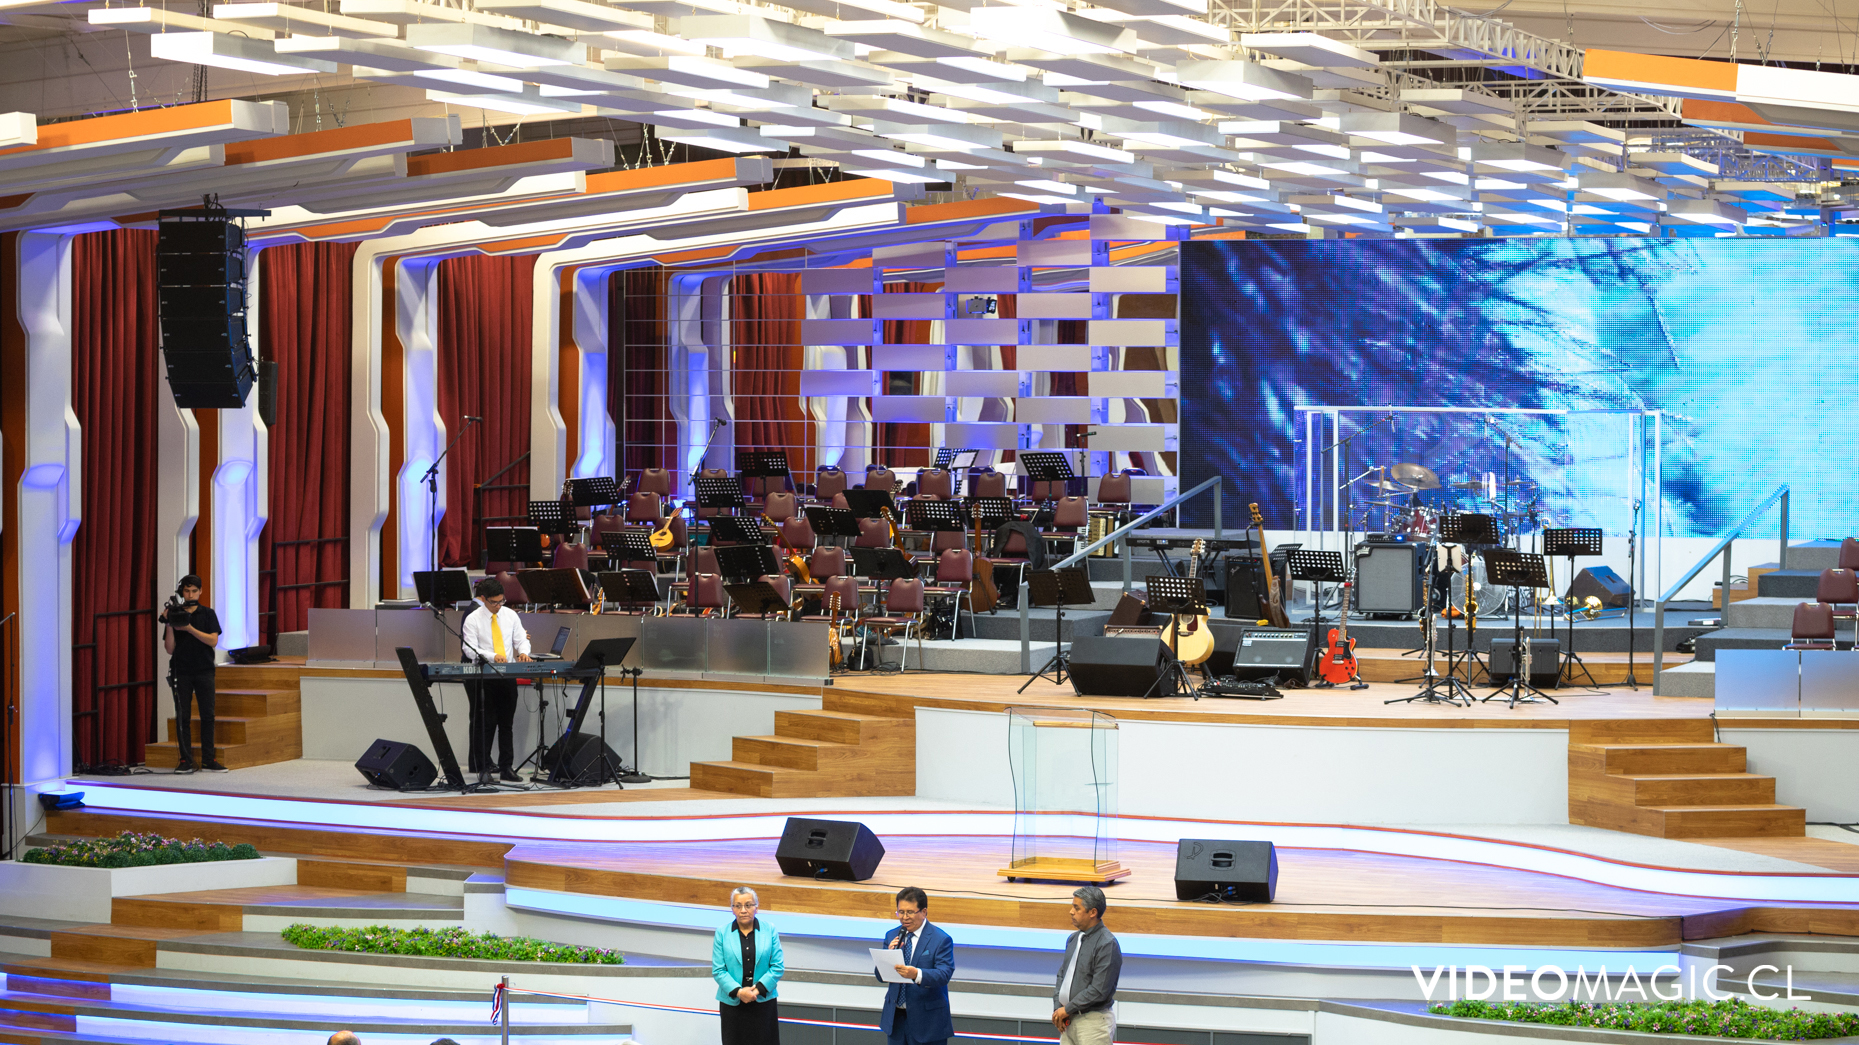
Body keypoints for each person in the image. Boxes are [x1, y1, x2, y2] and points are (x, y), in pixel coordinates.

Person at [460, 576, 531, 782]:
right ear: (483, 599)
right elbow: (469, 649)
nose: (499, 606)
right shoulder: (473, 619)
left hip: (506, 675)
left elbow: (521, 638)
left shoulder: (510, 615)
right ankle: (483, 768)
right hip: (484, 676)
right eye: (494, 602)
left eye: (502, 601)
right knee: (486, 723)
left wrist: (524, 652)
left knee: (506, 723)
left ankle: (506, 767)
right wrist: (492, 656)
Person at [162, 575, 225, 773]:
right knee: (183, 717)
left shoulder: (208, 613)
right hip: (181, 670)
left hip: (204, 670)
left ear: (200, 592)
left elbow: (213, 641)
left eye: (194, 591)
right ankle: (185, 760)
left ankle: (208, 759)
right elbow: (169, 649)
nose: (190, 595)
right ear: (182, 592)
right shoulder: (176, 613)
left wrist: (189, 628)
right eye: (187, 591)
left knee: (208, 715)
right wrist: (169, 624)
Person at [877, 886, 954, 1045]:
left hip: (928, 1024)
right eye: (900, 912)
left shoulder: (941, 939)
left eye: (910, 912)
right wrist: (887, 957)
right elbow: (880, 976)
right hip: (896, 1021)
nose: (904, 918)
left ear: (924, 912)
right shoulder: (892, 935)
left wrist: (917, 974)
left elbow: (944, 974)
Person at [712, 886, 784, 1045]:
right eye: (738, 906)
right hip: (732, 1003)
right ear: (732, 909)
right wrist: (740, 992)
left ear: (756, 907)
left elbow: (777, 966)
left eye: (748, 905)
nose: (743, 910)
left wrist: (756, 991)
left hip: (763, 1001)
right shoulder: (722, 932)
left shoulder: (770, 930)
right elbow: (718, 970)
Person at [1051, 886, 1121, 1045]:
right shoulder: (1073, 939)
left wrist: (1066, 1009)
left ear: (1092, 912)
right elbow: (1062, 975)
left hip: (1093, 1023)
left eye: (1077, 908)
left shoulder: (1107, 944)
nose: (1071, 912)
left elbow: (1099, 990)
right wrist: (1058, 1010)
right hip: (1068, 1021)